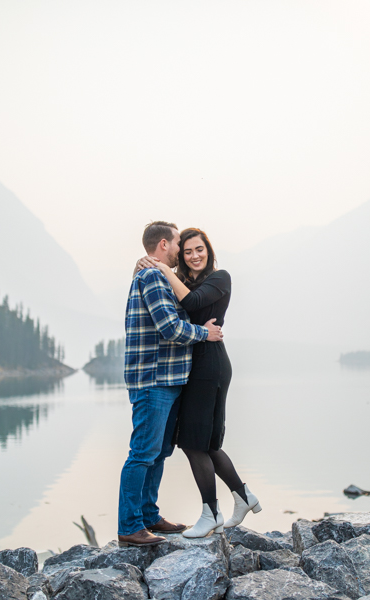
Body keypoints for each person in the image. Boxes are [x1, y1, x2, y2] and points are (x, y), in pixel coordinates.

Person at [136, 228, 260, 539]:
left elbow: (192, 303)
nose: (193, 255)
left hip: (211, 364)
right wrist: (145, 266)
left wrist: (163, 267)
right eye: (188, 250)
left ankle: (211, 512)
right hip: (193, 366)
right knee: (204, 442)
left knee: (193, 443)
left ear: (209, 250)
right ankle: (243, 497)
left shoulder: (220, 278)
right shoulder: (183, 279)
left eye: (199, 249)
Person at [118, 221, 224, 547]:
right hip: (154, 380)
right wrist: (206, 334)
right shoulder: (151, 276)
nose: (181, 249)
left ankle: (149, 515)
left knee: (159, 452)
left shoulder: (160, 274)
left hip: (169, 379)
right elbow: (170, 328)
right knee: (143, 453)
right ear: (164, 244)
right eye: (178, 243)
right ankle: (130, 526)